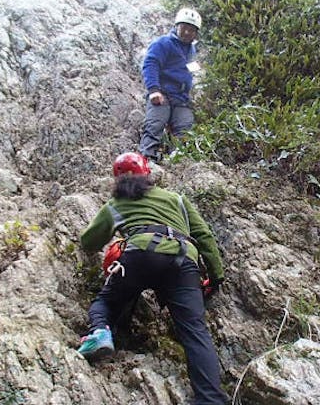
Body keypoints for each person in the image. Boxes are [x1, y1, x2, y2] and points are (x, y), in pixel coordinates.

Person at [77, 152, 228, 405]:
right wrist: (215, 277)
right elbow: (205, 237)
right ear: (147, 175)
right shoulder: (177, 199)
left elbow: (88, 242)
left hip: (140, 255)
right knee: (194, 331)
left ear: (117, 180)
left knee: (107, 301)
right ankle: (210, 399)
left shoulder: (116, 205)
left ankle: (102, 332)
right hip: (182, 260)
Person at [139, 7, 202, 162]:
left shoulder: (192, 50)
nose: (187, 32)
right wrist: (154, 90)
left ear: (196, 33)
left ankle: (176, 165)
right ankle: (147, 163)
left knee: (185, 131)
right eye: (184, 28)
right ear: (176, 26)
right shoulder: (163, 43)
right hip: (163, 94)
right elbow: (150, 64)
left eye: (192, 30)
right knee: (154, 127)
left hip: (181, 99)